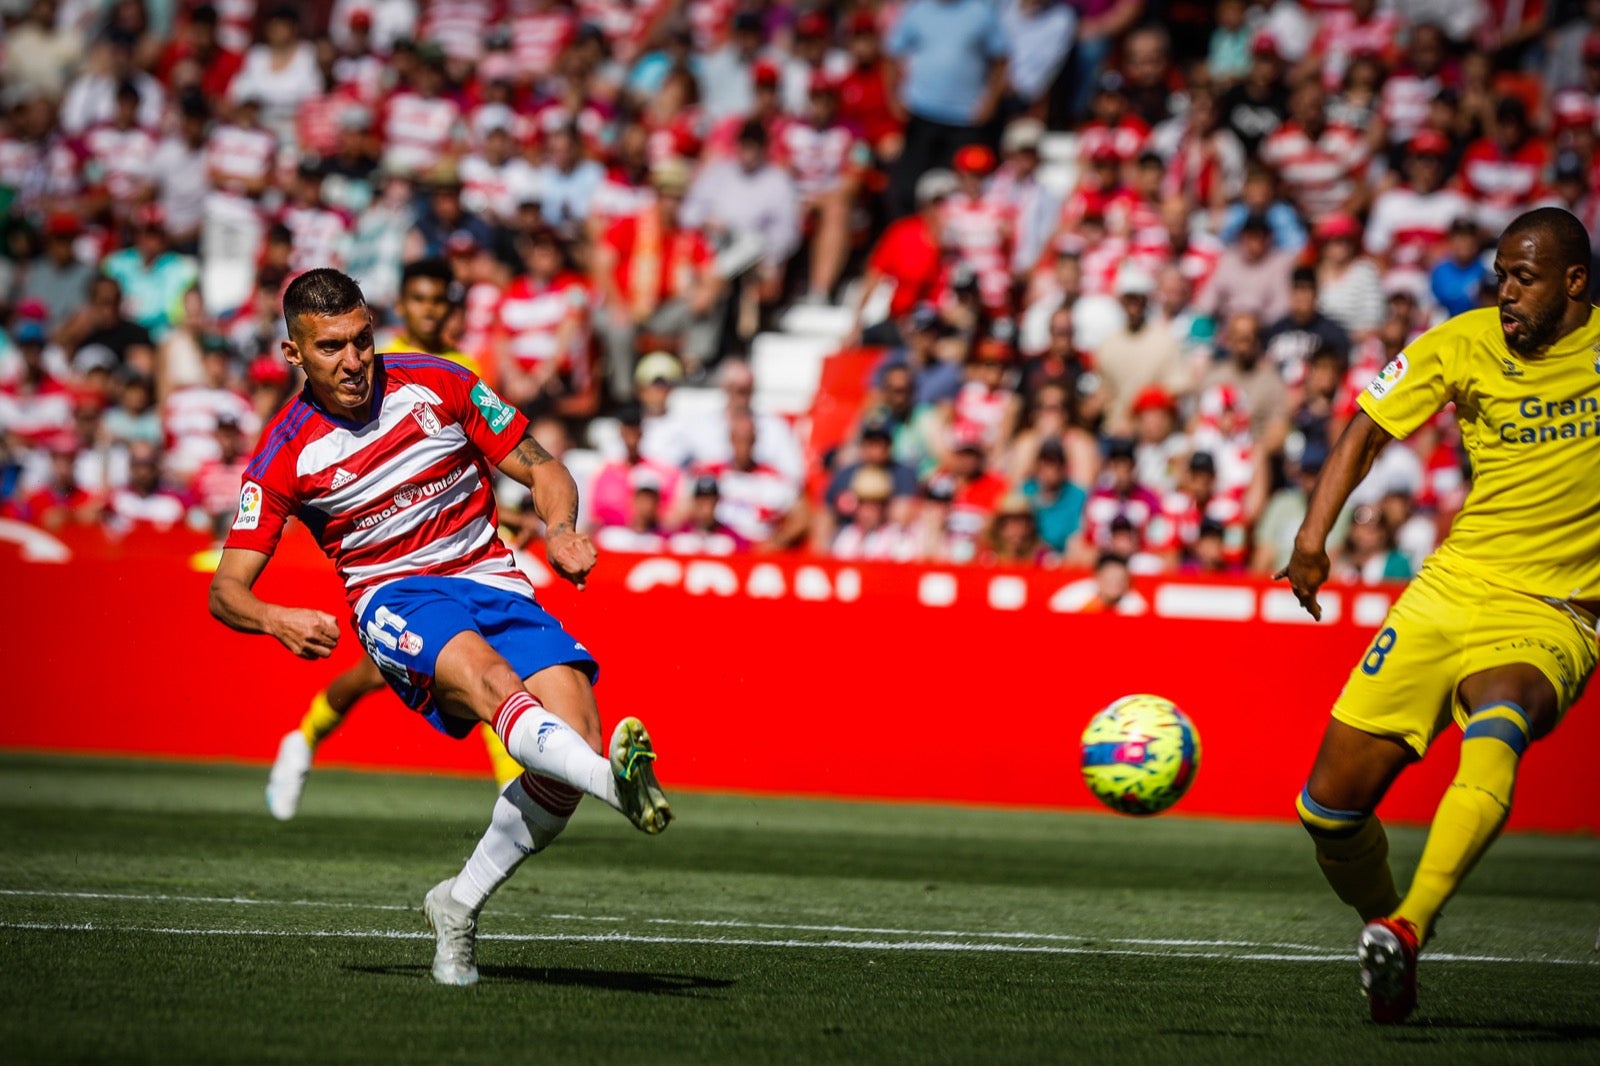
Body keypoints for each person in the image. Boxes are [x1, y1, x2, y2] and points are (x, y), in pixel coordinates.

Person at [211, 270, 672, 987]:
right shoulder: (284, 454)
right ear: (293, 353)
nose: (353, 360)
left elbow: (543, 468)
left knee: (572, 745)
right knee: (495, 684)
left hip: (490, 577)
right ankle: (619, 787)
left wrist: (560, 530)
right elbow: (226, 590)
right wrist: (275, 618)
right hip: (395, 596)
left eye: (361, 340)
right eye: (331, 347)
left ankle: (457, 904)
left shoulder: (440, 382)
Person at [1275, 208, 1600, 1024]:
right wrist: (1311, 539)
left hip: (1553, 610)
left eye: (1524, 277)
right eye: (1500, 276)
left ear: (1574, 282)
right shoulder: (1462, 341)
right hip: (1448, 591)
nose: (1506, 292)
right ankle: (1385, 943)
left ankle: (1408, 927)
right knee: (1328, 808)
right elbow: (1366, 429)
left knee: (1501, 713)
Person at [263, 258, 517, 822]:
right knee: (369, 676)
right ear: (401, 306)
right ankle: (303, 739)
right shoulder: (367, 361)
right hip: (389, 560)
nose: (430, 310)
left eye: (439, 301)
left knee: (485, 663)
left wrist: (507, 513)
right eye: (420, 299)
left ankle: (511, 789)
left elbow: (478, 449)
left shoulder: (461, 367)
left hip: (455, 546)